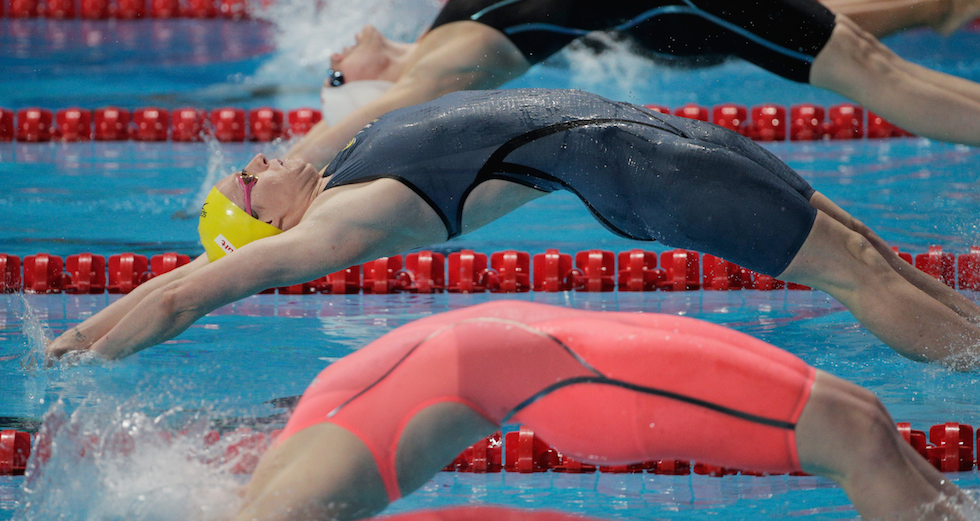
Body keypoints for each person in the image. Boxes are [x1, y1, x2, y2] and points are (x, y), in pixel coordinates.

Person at [45, 88, 980, 366]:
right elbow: (195, 289)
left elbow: (183, 271)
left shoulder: (343, 165)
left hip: (654, 138)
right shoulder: (343, 221)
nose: (253, 166)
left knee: (864, 250)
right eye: (246, 190)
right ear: (272, 229)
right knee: (855, 277)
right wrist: (77, 353)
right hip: (652, 172)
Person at [231, 301, 977, 521]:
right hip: (559, 371)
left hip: (540, 345)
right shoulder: (289, 491)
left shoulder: (285, 491)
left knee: (865, 420)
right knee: (856, 432)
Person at [286, 0, 980, 168]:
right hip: (695, 1)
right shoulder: (447, 64)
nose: (336, 52)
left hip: (682, 7)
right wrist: (284, 174)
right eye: (336, 76)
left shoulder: (447, 35)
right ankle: (946, 1)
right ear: (368, 93)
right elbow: (378, 120)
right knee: (883, 79)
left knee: (864, 61)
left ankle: (939, 2)